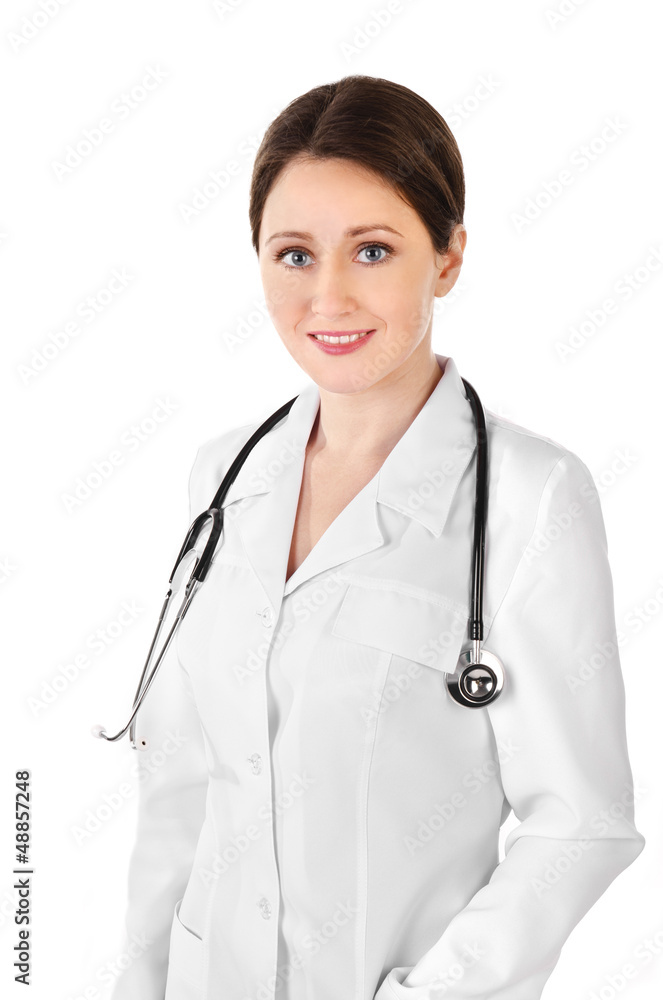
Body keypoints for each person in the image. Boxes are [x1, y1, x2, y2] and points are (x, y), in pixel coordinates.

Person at [110, 74, 645, 1000]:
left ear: (446, 258)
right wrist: (140, 980)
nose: (327, 298)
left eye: (371, 250)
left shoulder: (530, 496)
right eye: (292, 255)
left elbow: (578, 824)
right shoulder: (222, 477)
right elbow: (182, 787)